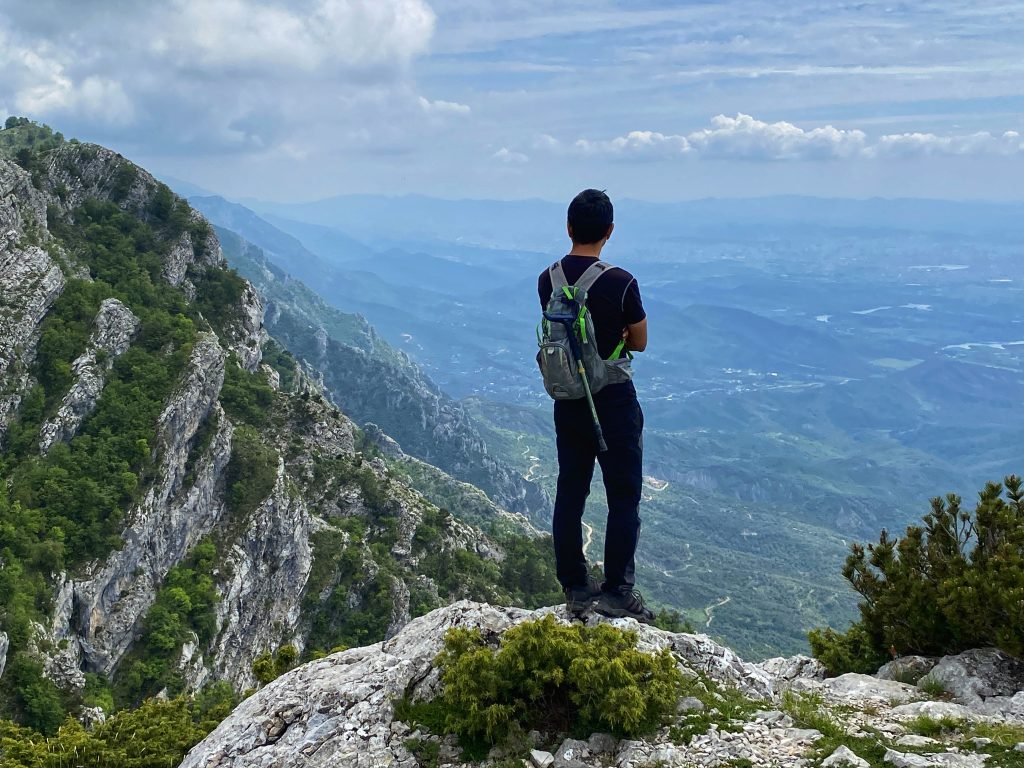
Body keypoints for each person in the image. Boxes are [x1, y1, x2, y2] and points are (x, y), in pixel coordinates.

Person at [536, 189, 653, 623]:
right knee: (623, 497)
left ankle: (575, 586)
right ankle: (618, 591)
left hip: (568, 400)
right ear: (609, 232)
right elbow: (638, 341)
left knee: (571, 491)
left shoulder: (548, 278)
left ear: (569, 228)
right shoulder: (621, 282)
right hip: (614, 400)